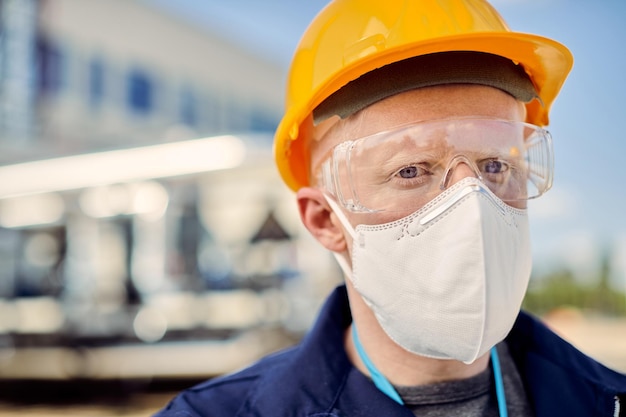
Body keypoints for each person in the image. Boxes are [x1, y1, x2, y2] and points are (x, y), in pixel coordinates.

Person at [155, 0, 626, 415]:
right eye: (411, 170)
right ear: (325, 221)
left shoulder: (606, 400)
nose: (472, 201)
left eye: (496, 166)